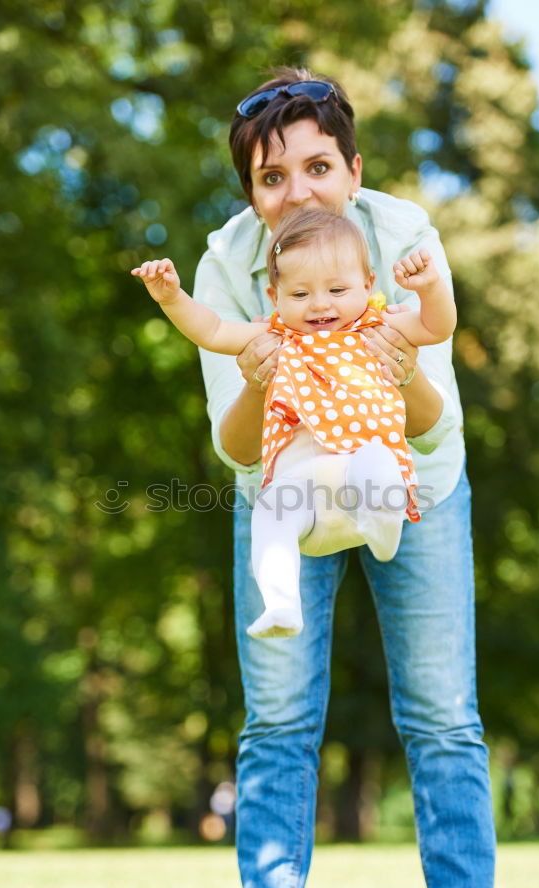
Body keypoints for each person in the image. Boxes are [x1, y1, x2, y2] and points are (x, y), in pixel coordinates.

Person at [166, 69, 496, 888]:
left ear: (352, 170)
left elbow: (429, 424)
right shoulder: (228, 268)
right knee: (276, 719)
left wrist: (400, 366)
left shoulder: (403, 242)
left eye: (316, 167)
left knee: (441, 717)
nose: (296, 192)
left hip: (409, 481)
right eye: (272, 179)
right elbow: (236, 452)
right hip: (287, 484)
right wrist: (265, 373)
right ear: (250, 193)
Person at [132, 207, 456, 640]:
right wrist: (171, 297)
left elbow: (438, 326)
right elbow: (210, 330)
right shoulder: (274, 337)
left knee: (377, 463)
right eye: (300, 295)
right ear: (275, 297)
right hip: (300, 491)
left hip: (359, 473)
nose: (320, 304)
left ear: (368, 285)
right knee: (266, 512)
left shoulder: (378, 325)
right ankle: (281, 604)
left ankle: (383, 523)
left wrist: (430, 288)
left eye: (337, 289)